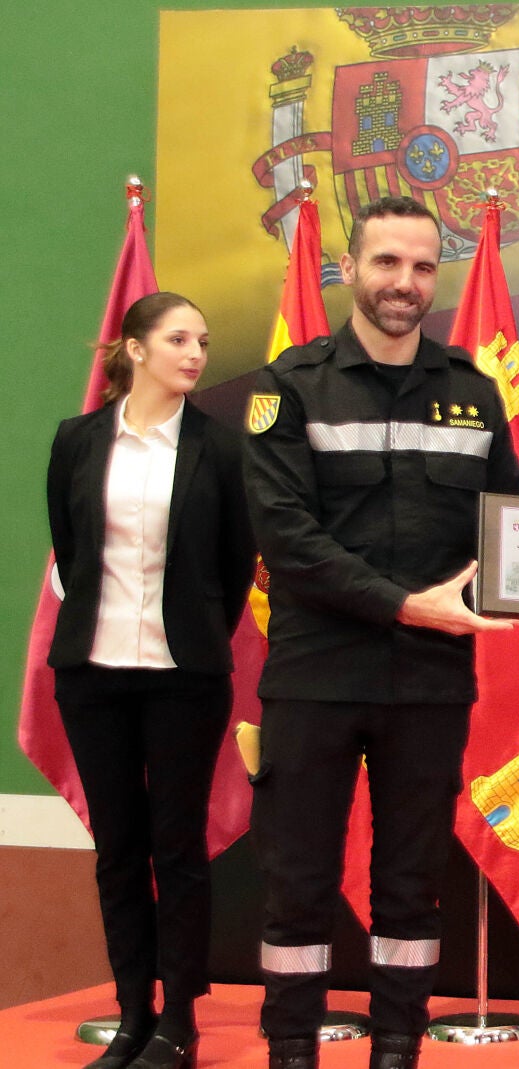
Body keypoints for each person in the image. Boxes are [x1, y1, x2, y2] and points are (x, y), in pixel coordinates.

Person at [243, 195, 519, 1069]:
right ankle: (292, 1048)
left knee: (412, 885)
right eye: (387, 262)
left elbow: (511, 527)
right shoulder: (289, 387)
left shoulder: (474, 392)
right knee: (298, 882)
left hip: (429, 681)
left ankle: (399, 1047)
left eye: (423, 266)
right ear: (349, 269)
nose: (406, 282)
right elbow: (288, 541)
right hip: (315, 677)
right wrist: (406, 605)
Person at [45, 292, 254, 1069]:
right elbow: (72, 550)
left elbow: (234, 567)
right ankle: (131, 1012)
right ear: (134, 348)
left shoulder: (219, 448)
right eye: (178, 339)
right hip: (92, 673)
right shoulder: (77, 440)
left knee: (178, 846)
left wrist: (191, 635)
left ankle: (178, 1020)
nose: (195, 353)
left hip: (183, 676)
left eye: (203, 340)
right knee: (118, 848)